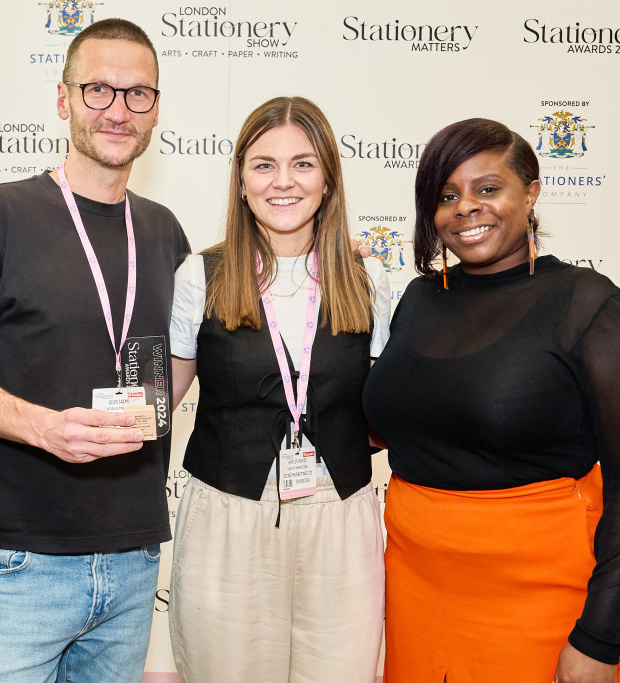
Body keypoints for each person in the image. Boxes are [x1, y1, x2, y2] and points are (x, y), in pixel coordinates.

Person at [362, 118, 620, 683]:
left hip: (542, 594)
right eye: (446, 195)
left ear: (530, 192)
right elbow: (390, 427)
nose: (465, 209)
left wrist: (597, 636)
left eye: (487, 189)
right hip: (414, 587)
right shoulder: (420, 297)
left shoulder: (591, 308)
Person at [0, 18, 190, 683]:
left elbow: (175, 369)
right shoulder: (1, 213)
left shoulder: (163, 231)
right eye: (98, 89)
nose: (117, 109)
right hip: (20, 559)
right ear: (63, 99)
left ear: (156, 108)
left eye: (137, 94)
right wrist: (48, 429)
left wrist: (314, 269)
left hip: (134, 557)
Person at [167, 96, 391, 682]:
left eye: (303, 164)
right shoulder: (200, 275)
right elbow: (157, 401)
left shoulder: (371, 280)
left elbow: (394, 404)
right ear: (241, 181)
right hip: (228, 514)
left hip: (341, 516)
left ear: (328, 179)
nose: (283, 182)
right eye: (264, 164)